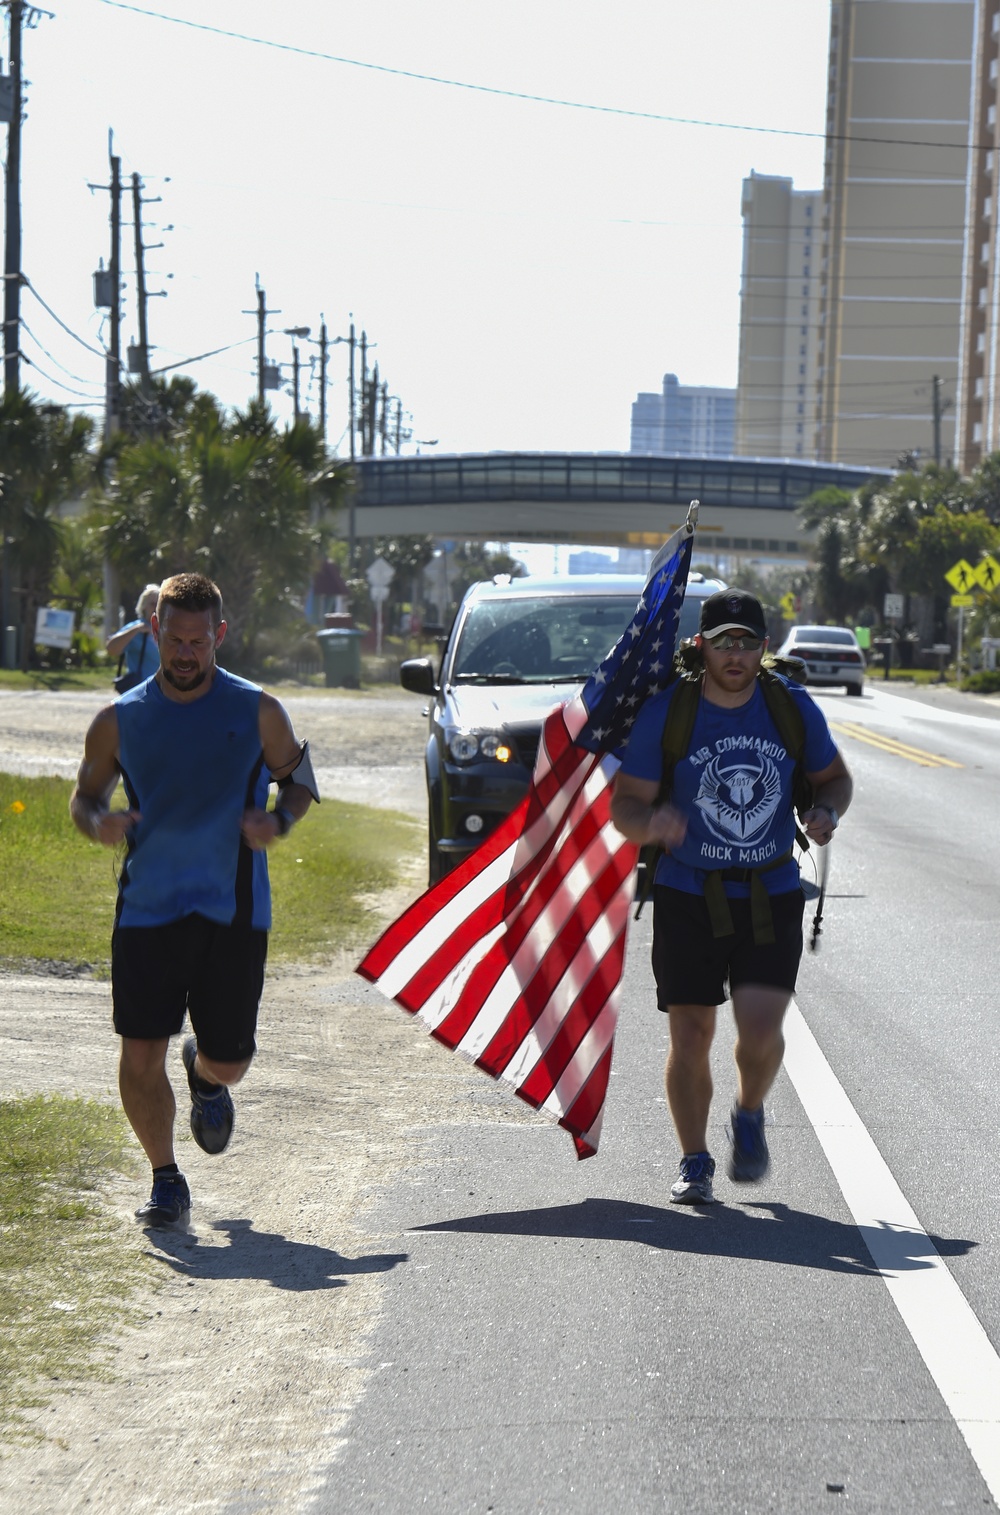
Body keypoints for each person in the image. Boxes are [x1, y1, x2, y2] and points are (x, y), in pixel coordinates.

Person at [70, 572, 319, 1227]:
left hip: (232, 911)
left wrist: (280, 822)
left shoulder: (258, 710)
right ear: (155, 632)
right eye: (174, 639)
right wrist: (97, 823)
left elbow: (298, 781)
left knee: (231, 1061)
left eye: (198, 640)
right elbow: (85, 796)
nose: (185, 652)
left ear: (220, 636)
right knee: (138, 1053)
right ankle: (165, 1177)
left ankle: (206, 1076)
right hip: (147, 908)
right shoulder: (119, 720)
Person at [610, 589, 853, 1205]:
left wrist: (824, 811)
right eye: (724, 642)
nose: (736, 654)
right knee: (690, 1036)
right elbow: (625, 806)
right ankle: (694, 1159)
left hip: (771, 892)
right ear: (702, 647)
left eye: (747, 642)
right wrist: (653, 824)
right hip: (687, 891)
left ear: (764, 647)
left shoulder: (789, 707)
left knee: (760, 1034)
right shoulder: (670, 712)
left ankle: (749, 1110)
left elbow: (834, 779)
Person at [106, 584, 161, 688]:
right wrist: (136, 630)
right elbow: (111, 649)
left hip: (164, 691)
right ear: (144, 606)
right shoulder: (136, 627)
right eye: (153, 604)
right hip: (142, 689)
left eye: (159, 604)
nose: (156, 608)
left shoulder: (168, 629)